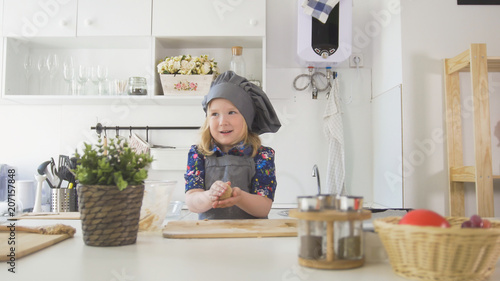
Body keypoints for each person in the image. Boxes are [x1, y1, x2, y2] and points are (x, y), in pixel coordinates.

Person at [184, 71, 281, 219]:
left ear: (247, 118)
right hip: (209, 237)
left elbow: (263, 208)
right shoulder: (198, 153)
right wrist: (210, 195)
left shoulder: (262, 155)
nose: (223, 122)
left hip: (252, 238)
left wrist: (239, 197)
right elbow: (192, 202)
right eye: (214, 114)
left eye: (232, 112)